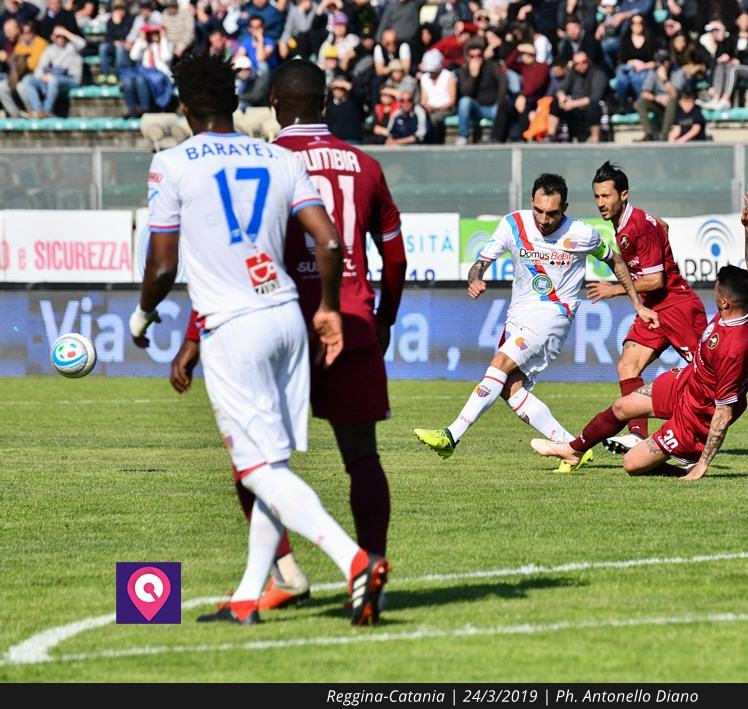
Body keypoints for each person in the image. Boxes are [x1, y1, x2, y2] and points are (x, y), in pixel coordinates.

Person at [133, 53, 389, 627]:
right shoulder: (278, 157)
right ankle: (249, 597)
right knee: (270, 462)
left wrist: (143, 316)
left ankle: (354, 560)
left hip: (233, 327)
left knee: (256, 471)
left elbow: (163, 266)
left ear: (184, 107)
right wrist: (327, 307)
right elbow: (329, 242)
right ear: (236, 103)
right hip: (286, 319)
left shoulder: (170, 164)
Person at [414, 173, 661, 471]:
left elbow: (615, 260)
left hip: (554, 316)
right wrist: (475, 279)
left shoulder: (582, 234)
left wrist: (636, 303)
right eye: (539, 211)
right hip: (519, 315)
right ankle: (572, 447)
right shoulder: (513, 224)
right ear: (531, 201)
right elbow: (480, 264)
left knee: (499, 363)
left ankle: (451, 435)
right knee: (510, 388)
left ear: (565, 207)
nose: (544, 220)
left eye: (552, 213)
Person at [533, 193, 748, 480]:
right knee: (622, 406)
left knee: (632, 464)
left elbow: (723, 413)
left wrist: (703, 465)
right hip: (685, 383)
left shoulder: (732, 346)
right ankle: (573, 450)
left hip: (695, 417)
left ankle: (685, 465)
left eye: (716, 290)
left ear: (724, 302)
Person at [589, 163, 748, 454]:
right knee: (628, 365)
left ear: (623, 195)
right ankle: (637, 435)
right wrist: (661, 246)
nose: (601, 203)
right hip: (654, 307)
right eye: (597, 196)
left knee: (713, 371)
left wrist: (614, 289)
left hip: (677, 307)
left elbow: (656, 280)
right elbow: (663, 226)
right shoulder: (629, 223)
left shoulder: (636, 226)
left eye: (606, 196)